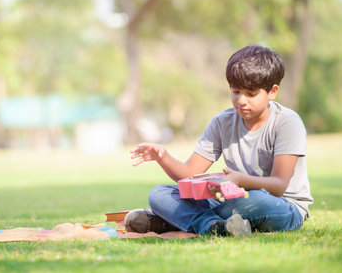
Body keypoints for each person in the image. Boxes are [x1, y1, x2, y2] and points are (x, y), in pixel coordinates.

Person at [125, 45, 313, 237]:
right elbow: (190, 174)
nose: (241, 100)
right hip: (231, 200)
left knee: (254, 201)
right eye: (236, 91)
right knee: (160, 194)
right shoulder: (222, 122)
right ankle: (214, 226)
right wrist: (163, 157)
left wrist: (240, 181)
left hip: (282, 205)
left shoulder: (287, 122)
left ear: (272, 92)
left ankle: (170, 221)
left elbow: (279, 185)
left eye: (251, 94)